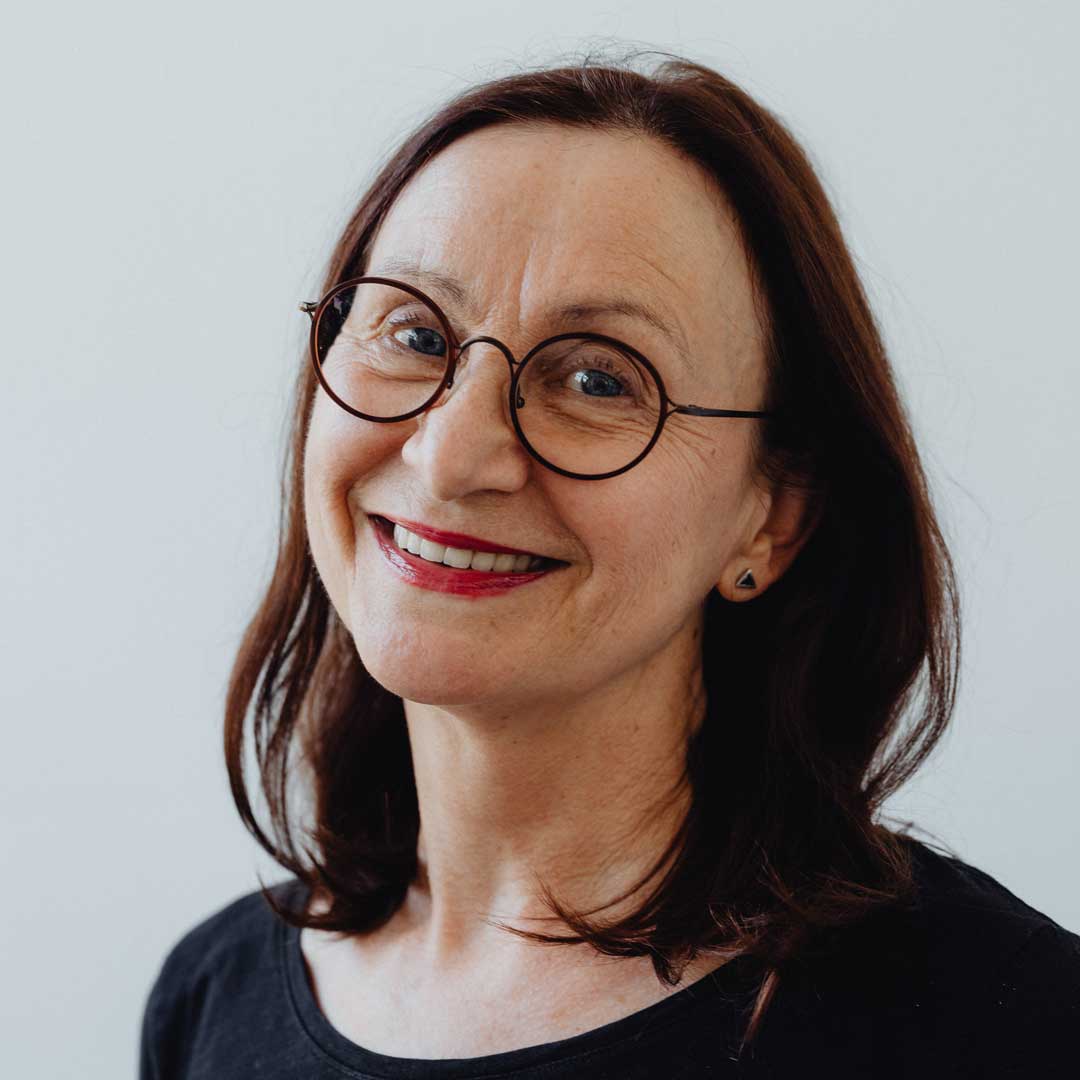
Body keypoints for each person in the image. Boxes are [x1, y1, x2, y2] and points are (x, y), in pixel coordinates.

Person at [138, 53, 1080, 1078]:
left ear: (772, 518)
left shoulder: (1004, 1025)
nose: (450, 456)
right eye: (412, 332)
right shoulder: (209, 1001)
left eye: (597, 378)